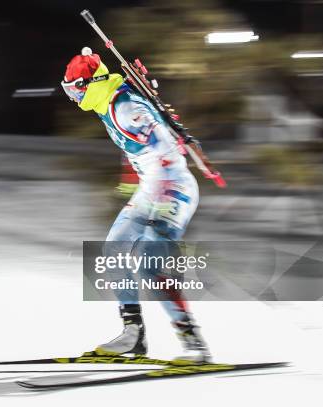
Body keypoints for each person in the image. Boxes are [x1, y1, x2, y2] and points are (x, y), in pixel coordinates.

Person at [61, 47, 211, 362]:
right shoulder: (108, 102)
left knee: (149, 265)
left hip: (173, 189)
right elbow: (137, 146)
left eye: (74, 91)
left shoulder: (125, 107)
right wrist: (132, 183)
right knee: (113, 250)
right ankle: (133, 336)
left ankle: (193, 344)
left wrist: (157, 207)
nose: (73, 99)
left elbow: (168, 150)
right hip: (151, 188)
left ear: (89, 84)